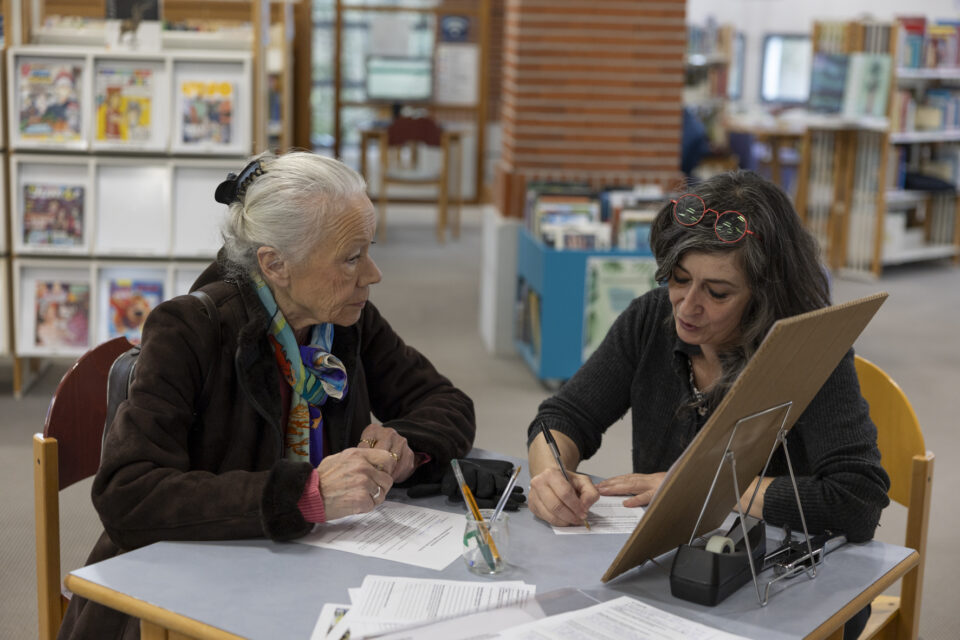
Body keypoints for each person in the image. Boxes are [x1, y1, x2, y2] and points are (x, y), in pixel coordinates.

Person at [59, 151, 476, 639]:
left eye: (369, 248)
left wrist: (404, 445)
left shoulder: (344, 318)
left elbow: (448, 405)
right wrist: (304, 495)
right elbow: (129, 495)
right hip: (179, 601)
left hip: (306, 575)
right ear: (275, 264)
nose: (373, 274)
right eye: (351, 257)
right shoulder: (191, 330)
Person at [526, 170, 889, 639]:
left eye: (718, 293)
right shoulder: (651, 318)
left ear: (764, 294)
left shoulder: (811, 350)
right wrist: (548, 474)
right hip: (669, 573)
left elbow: (856, 500)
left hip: (787, 585)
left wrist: (700, 488)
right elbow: (562, 417)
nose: (687, 306)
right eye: (679, 279)